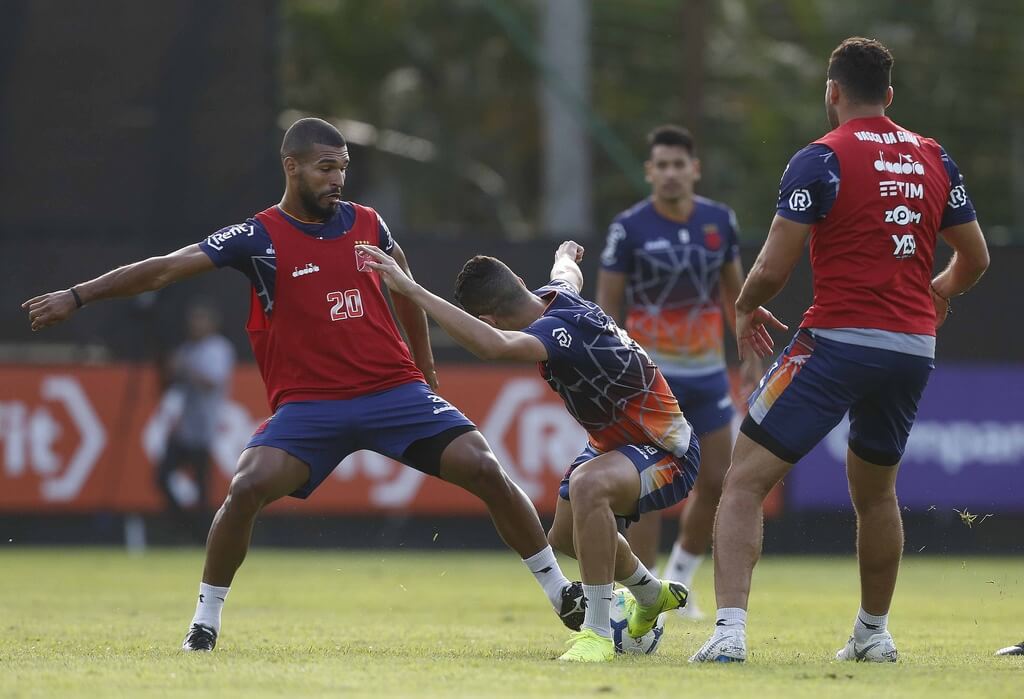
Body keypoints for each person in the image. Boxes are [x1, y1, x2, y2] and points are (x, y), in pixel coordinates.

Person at [22, 117, 584, 652]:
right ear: (291, 167)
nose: (337, 179)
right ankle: (204, 622)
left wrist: (428, 374)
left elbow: (406, 288)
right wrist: (78, 295)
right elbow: (168, 267)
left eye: (342, 167)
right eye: (324, 168)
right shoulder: (256, 237)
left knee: (485, 467)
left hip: (394, 391)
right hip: (311, 407)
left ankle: (562, 593)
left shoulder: (369, 223)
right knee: (246, 488)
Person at [690, 37, 989, 664]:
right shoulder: (934, 156)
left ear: (832, 92)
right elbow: (976, 257)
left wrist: (743, 307)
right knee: (877, 493)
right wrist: (935, 291)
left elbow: (773, 268)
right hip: (912, 349)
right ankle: (873, 634)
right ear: (889, 95)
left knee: (743, 480)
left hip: (836, 342)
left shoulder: (820, 158)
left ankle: (728, 635)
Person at [357, 240, 700, 663]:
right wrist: (565, 255)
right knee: (565, 536)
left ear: (487, 318)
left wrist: (410, 289)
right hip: (619, 444)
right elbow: (566, 272)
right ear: (521, 282)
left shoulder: (555, 333)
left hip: (668, 450)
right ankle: (651, 594)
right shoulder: (560, 294)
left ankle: (595, 633)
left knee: (588, 484)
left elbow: (495, 347)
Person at [597, 125, 758, 619]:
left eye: (678, 165)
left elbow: (738, 295)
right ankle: (642, 596)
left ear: (694, 169)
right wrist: (610, 370)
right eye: (660, 166)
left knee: (718, 480)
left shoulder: (719, 221)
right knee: (647, 488)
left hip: (708, 375)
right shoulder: (629, 227)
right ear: (649, 172)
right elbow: (606, 305)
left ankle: (682, 575)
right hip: (650, 381)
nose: (669, 174)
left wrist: (749, 355)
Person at [156, 303, 235, 538]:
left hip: (204, 428)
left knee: (203, 487)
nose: (195, 325)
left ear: (212, 324)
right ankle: (184, 525)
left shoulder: (217, 349)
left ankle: (202, 534)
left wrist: (186, 367)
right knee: (162, 476)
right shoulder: (188, 348)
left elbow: (212, 381)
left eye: (200, 320)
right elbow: (170, 381)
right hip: (186, 427)